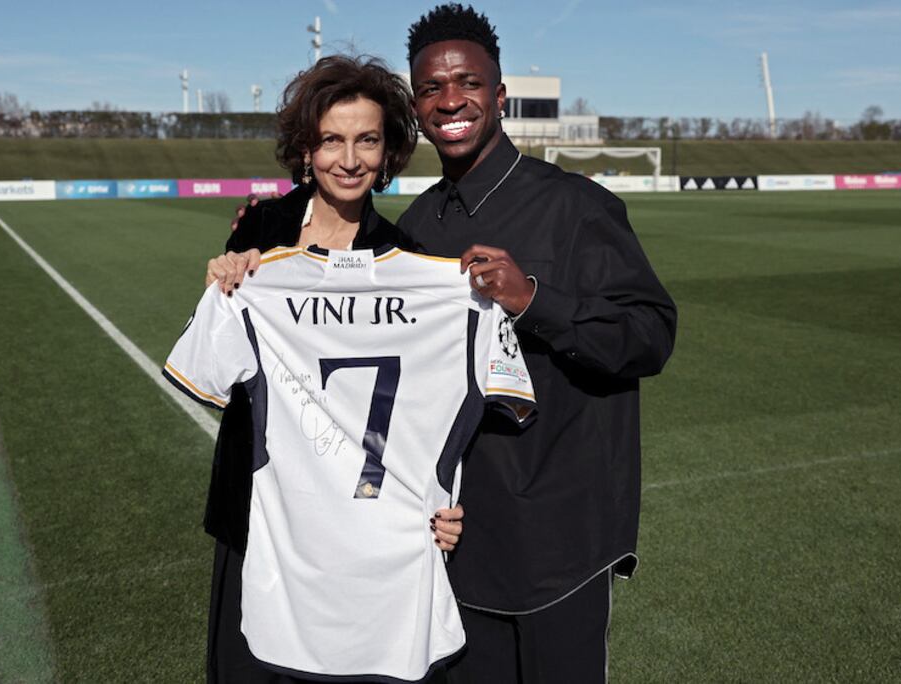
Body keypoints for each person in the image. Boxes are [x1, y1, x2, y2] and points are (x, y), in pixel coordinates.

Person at [224, 5, 677, 681]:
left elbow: (650, 336)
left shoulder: (577, 207)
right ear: (416, 104)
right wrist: (259, 243)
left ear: (499, 95)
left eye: (467, 82)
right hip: (449, 540)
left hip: (560, 538)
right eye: (431, 88)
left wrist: (532, 299)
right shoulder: (415, 226)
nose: (450, 100)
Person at [198, 54, 466, 683]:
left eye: (367, 139)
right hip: (260, 512)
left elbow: (433, 401)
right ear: (306, 148)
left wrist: (445, 499)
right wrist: (223, 276)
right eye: (331, 141)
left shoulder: (411, 261)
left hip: (360, 530)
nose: (349, 159)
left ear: (389, 150)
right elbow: (224, 357)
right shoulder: (262, 227)